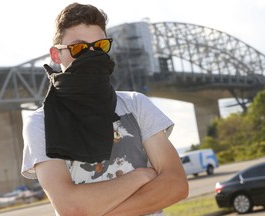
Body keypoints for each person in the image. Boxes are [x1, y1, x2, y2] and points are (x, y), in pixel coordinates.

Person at [21, 2, 188, 216]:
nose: (91, 55)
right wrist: (141, 177)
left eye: (99, 46)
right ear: (56, 56)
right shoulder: (40, 124)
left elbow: (176, 185)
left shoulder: (136, 104)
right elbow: (70, 208)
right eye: (79, 48)